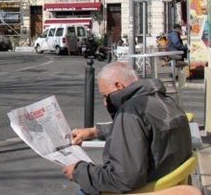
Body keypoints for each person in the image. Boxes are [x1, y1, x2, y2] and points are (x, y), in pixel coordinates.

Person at [62, 62, 192, 195]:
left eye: (105, 96)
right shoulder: (165, 101)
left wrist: (79, 171)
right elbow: (146, 127)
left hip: (146, 189)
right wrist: (95, 131)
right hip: (170, 184)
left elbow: (124, 179)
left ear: (119, 86)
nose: (105, 103)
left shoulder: (131, 112)